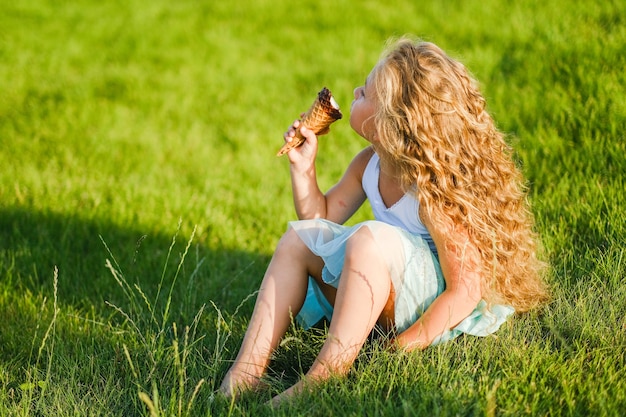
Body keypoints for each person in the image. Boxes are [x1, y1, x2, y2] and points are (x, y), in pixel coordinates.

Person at [219, 37, 548, 403]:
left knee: (368, 238)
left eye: (365, 95)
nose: (356, 90)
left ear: (389, 125)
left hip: (421, 308)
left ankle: (322, 379)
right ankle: (244, 373)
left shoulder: (429, 189)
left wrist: (405, 346)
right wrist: (303, 169)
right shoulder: (368, 164)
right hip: (377, 294)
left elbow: (464, 289)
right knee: (300, 237)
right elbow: (320, 219)